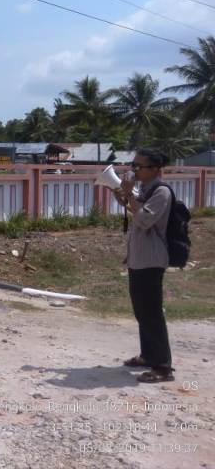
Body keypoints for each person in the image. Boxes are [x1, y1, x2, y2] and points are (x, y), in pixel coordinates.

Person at [114, 147, 175, 384]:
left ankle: (163, 367)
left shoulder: (161, 192)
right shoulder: (146, 189)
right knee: (142, 311)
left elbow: (144, 219)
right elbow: (131, 207)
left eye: (139, 166)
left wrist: (129, 195)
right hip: (139, 258)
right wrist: (118, 191)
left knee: (152, 313)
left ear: (155, 169)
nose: (135, 169)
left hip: (151, 260)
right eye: (134, 165)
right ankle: (148, 355)